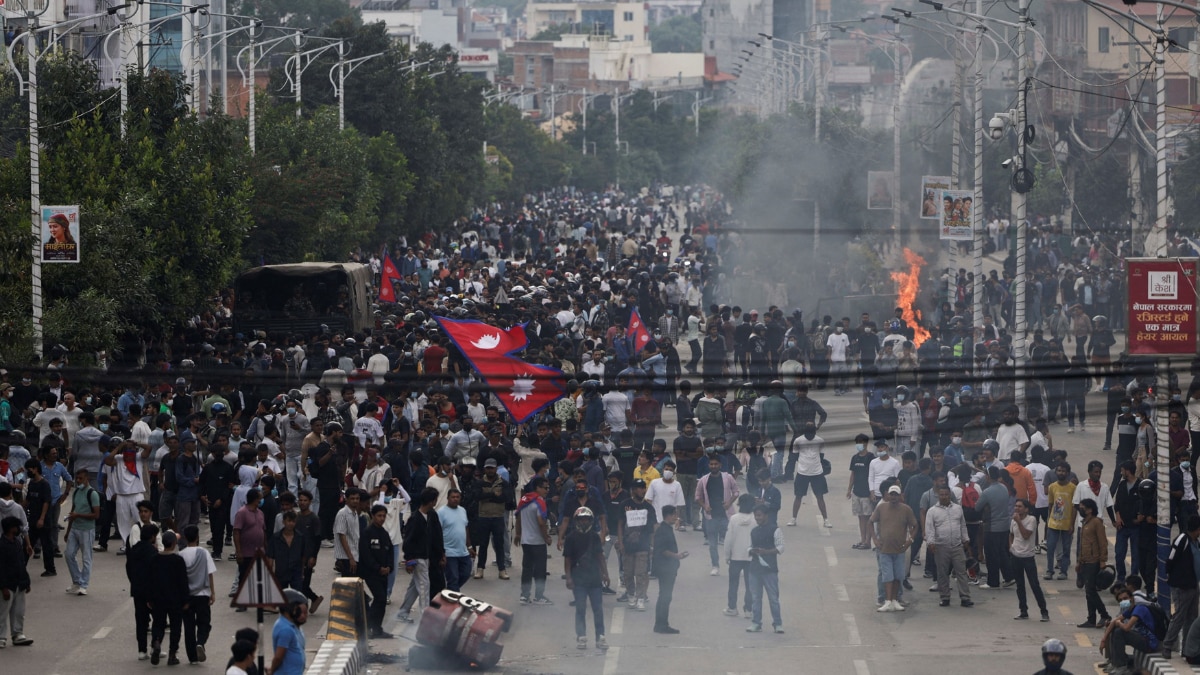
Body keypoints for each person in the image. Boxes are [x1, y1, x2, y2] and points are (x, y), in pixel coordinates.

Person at [562, 506, 609, 649]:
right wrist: (569, 578)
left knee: (598, 609)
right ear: (576, 521)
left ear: (591, 521)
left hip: (595, 579)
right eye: (581, 519)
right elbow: (568, 559)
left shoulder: (594, 537)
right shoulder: (570, 538)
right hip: (578, 580)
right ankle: (581, 636)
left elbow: (600, 556)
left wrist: (605, 574)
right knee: (580, 608)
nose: (584, 522)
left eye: (587, 519)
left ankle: (600, 637)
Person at [869, 484, 916, 612]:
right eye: (892, 494)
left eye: (896, 495)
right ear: (888, 495)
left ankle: (894, 600)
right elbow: (870, 522)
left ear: (900, 496)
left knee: (898, 575)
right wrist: (875, 540)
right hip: (884, 549)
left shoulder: (906, 509)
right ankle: (887, 600)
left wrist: (909, 541)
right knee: (887, 576)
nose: (894, 497)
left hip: (900, 550)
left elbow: (914, 525)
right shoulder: (881, 508)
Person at [396, 487, 439, 622]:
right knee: (424, 587)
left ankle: (403, 612)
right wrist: (409, 560)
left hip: (426, 557)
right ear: (431, 501)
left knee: (415, 587)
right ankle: (425, 620)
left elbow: (437, 536)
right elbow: (408, 541)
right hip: (418, 558)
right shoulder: (415, 519)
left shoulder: (431, 515)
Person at [926, 485, 973, 608]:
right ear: (938, 496)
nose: (944, 497)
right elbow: (929, 528)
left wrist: (965, 539)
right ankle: (945, 597)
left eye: (946, 494)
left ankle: (965, 598)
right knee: (942, 573)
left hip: (957, 546)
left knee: (961, 572)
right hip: (941, 546)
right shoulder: (932, 511)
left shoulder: (958, 509)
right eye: (941, 495)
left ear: (950, 495)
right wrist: (931, 542)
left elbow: (962, 525)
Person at [149, 530, 190, 666]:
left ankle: (156, 641)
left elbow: (150, 580)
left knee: (158, 623)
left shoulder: (154, 559)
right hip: (175, 599)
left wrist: (150, 598)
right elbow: (183, 582)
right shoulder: (178, 560)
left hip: (158, 598)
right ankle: (172, 654)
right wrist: (186, 600)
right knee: (175, 626)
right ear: (174, 544)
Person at [1099, 586, 1160, 675]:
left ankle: (1121, 667)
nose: (1123, 601)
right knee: (1113, 628)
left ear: (1131, 598)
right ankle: (1113, 662)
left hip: (1149, 642)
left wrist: (1119, 623)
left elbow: (1127, 627)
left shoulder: (1139, 608)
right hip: (1141, 638)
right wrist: (1103, 640)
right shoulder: (1131, 609)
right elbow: (1114, 622)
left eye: (1125, 598)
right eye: (1120, 600)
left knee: (1119, 632)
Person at [1163, 514, 1200, 659]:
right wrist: (1173, 577)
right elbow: (1170, 560)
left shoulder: (1196, 542)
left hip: (1193, 585)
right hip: (1181, 586)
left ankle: (1187, 648)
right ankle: (1167, 645)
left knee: (1192, 617)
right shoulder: (1182, 539)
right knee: (1179, 617)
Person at [617, 478, 656, 611]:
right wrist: (620, 542)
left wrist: (652, 546)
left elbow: (653, 528)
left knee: (641, 573)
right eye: (639, 488)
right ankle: (631, 595)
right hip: (628, 545)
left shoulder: (649, 507)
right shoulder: (625, 505)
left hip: (643, 546)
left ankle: (640, 598)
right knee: (628, 573)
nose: (642, 491)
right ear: (633, 490)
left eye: (644, 488)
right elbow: (620, 524)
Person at [696, 455, 738, 576]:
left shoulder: (728, 477)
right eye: (711, 464)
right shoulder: (703, 480)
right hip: (711, 517)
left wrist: (729, 503)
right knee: (712, 545)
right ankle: (715, 566)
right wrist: (705, 506)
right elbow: (698, 497)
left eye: (716, 464)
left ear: (720, 465)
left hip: (726, 516)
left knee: (731, 542)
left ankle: (734, 564)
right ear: (708, 465)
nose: (713, 466)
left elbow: (736, 492)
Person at [1009, 498, 1050, 621]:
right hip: (1016, 556)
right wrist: (1011, 547)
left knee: (1034, 585)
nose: (1017, 508)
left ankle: (1044, 611)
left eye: (1020, 506)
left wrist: (1019, 522)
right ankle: (1023, 611)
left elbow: (1026, 535)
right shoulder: (1013, 520)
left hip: (1028, 557)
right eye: (1016, 506)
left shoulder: (1031, 520)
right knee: (1019, 585)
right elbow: (1011, 534)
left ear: (1026, 509)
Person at [746, 504, 784, 633]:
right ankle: (756, 623)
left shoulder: (775, 530)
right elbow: (750, 546)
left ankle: (777, 624)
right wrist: (752, 551)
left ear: (766, 515)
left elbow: (780, 548)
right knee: (756, 598)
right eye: (756, 516)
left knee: (773, 599)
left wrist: (765, 552)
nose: (757, 518)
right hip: (754, 569)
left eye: (759, 515)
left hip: (770, 570)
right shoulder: (754, 531)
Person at [515, 476, 553, 605]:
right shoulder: (539, 501)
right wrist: (546, 538)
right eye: (545, 488)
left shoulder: (524, 500)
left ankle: (524, 596)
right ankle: (539, 596)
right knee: (540, 570)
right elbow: (541, 523)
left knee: (527, 569)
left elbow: (518, 518)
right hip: (538, 542)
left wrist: (518, 534)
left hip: (526, 542)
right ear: (537, 488)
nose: (547, 490)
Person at [1075, 497, 1111, 629]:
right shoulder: (1084, 523)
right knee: (1088, 591)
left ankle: (1105, 615)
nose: (1080, 510)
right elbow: (1082, 545)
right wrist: (1079, 561)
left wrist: (1102, 560)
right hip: (1085, 561)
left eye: (1082, 507)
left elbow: (1103, 542)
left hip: (1093, 561)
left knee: (1091, 590)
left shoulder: (1096, 522)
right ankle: (1091, 619)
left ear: (1090, 510)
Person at [63, 468, 100, 595]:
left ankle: (84, 585)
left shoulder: (92, 494)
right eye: (77, 478)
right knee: (69, 554)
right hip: (74, 529)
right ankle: (77, 581)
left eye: (81, 478)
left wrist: (78, 515)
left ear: (87, 478)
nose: (78, 481)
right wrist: (68, 531)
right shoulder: (77, 492)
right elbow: (72, 512)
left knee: (86, 558)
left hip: (87, 530)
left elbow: (96, 515)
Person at [360, 504, 394, 639]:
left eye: (384, 516)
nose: (382, 518)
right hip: (371, 573)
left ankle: (377, 628)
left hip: (384, 573)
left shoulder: (384, 533)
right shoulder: (367, 533)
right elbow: (366, 554)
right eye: (379, 516)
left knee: (382, 601)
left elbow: (390, 552)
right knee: (379, 597)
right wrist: (377, 568)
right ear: (373, 516)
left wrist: (389, 567)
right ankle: (368, 627)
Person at [787, 422, 830, 528]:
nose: (810, 436)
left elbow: (821, 456)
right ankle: (793, 518)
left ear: (814, 432)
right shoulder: (798, 441)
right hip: (802, 472)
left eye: (811, 434)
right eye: (808, 434)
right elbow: (795, 455)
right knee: (798, 496)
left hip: (817, 472)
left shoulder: (819, 441)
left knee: (820, 496)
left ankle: (826, 520)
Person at [652, 505, 687, 634]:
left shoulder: (666, 528)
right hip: (664, 568)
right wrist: (676, 556)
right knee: (665, 596)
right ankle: (661, 624)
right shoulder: (663, 530)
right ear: (669, 515)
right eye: (674, 514)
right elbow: (662, 550)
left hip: (668, 567)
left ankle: (662, 623)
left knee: (666, 596)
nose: (676, 517)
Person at [0, 515, 33, 648]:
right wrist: (3, 587)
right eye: (16, 527)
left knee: (19, 611)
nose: (18, 529)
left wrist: (26, 582)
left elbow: (21, 564)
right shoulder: (2, 545)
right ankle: (1, 636)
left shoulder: (17, 543)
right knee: (2, 612)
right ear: (10, 528)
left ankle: (17, 634)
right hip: (8, 585)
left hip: (20, 583)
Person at [723, 494, 756, 618]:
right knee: (750, 585)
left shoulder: (734, 519)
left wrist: (727, 555)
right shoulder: (755, 519)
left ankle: (732, 608)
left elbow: (728, 539)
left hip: (735, 557)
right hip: (751, 557)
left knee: (733, 583)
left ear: (739, 504)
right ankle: (748, 610)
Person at [437, 487, 472, 593]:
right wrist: (441, 552)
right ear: (447, 498)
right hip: (449, 552)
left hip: (463, 551)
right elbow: (437, 532)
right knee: (453, 578)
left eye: (457, 497)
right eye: (453, 497)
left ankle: (449, 592)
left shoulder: (463, 510)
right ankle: (453, 598)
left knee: (466, 574)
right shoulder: (441, 512)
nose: (455, 499)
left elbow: (466, 528)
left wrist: (469, 546)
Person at [270, 589, 309, 675]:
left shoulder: (293, 626)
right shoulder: (285, 629)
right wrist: (271, 671)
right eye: (298, 610)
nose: (301, 614)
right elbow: (278, 657)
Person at [847, 434, 874, 549]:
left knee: (868, 517)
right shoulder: (854, 458)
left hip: (866, 493)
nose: (859, 445)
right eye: (857, 442)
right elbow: (852, 474)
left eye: (862, 442)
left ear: (866, 443)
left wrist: (872, 491)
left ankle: (868, 541)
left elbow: (873, 475)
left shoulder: (871, 457)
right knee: (860, 517)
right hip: (856, 492)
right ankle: (862, 540)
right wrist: (849, 489)